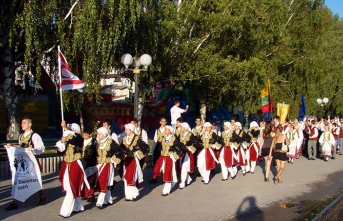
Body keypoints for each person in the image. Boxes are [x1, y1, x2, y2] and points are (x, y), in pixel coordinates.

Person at [4, 117, 46, 211]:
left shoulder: (34, 136)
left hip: (32, 161)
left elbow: (41, 148)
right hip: (22, 161)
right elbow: (21, 146)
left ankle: (42, 196)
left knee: (34, 178)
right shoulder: (21, 136)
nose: (22, 125)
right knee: (18, 179)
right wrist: (12, 146)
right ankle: (15, 202)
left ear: (30, 124)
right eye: (22, 123)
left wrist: (33, 150)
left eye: (24, 123)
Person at [56, 122, 91, 218]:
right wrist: (60, 147)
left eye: (70, 129)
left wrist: (65, 128)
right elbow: (62, 150)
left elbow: (73, 139)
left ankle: (65, 211)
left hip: (75, 164)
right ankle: (79, 206)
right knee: (68, 186)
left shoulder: (78, 138)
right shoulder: (68, 138)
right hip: (67, 164)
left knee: (72, 187)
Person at [94, 127, 125, 208]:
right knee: (103, 182)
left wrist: (113, 160)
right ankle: (109, 200)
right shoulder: (97, 142)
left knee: (103, 181)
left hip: (107, 164)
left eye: (99, 134)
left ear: (104, 134)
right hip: (99, 164)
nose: (98, 135)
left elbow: (121, 151)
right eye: (98, 134)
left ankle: (99, 202)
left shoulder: (111, 142)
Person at [149, 126, 183, 196]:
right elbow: (161, 148)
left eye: (166, 130)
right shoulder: (164, 138)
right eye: (165, 130)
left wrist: (173, 154)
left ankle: (166, 190)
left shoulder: (174, 139)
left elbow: (180, 148)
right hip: (162, 156)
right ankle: (171, 182)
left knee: (168, 172)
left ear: (170, 131)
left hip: (169, 157)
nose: (165, 131)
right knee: (158, 168)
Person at [119, 123, 149, 201]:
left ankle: (134, 194)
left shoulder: (137, 139)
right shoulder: (124, 138)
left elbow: (146, 148)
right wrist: (122, 153)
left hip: (133, 160)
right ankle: (128, 196)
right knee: (126, 177)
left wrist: (138, 154)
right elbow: (120, 148)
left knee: (131, 176)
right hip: (126, 160)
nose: (125, 131)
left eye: (126, 130)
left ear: (131, 130)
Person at [178, 122, 200, 189]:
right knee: (182, 167)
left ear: (184, 128)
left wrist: (189, 148)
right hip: (182, 153)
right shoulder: (180, 135)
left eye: (181, 127)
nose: (180, 128)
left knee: (184, 168)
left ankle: (182, 182)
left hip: (188, 154)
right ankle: (189, 179)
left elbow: (196, 143)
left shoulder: (191, 135)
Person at [81, 126, 98, 202]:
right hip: (83, 163)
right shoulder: (81, 141)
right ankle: (85, 194)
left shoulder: (94, 142)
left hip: (91, 162)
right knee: (84, 179)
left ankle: (91, 195)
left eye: (86, 135)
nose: (84, 136)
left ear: (90, 134)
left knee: (90, 179)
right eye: (83, 135)